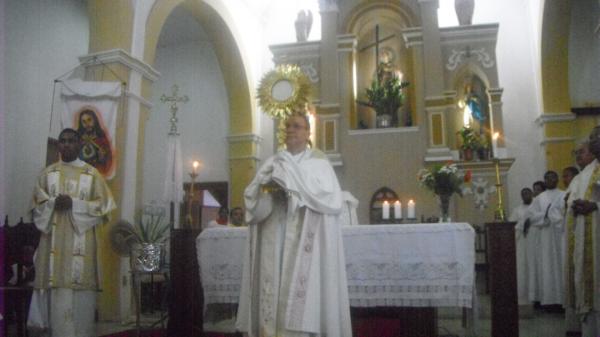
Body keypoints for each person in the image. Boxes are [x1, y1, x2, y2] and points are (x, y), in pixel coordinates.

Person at [236, 112, 352, 337]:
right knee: (273, 281)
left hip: (302, 234)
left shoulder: (318, 163)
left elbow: (328, 198)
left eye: (297, 126)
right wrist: (267, 188)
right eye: (288, 126)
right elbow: (252, 199)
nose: (290, 130)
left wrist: (293, 188)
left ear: (308, 132)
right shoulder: (273, 161)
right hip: (275, 229)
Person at [27, 128, 115, 337]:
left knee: (80, 310)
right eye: (62, 141)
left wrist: (75, 204)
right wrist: (51, 204)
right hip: (54, 251)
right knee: (58, 304)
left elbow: (105, 207)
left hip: (81, 251)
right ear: (58, 145)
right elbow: (35, 206)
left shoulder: (92, 175)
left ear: (79, 145)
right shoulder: (48, 174)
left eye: (71, 141)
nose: (66, 144)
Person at [565, 127, 600, 337]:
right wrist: (573, 205)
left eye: (598, 138)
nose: (595, 142)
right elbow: (572, 197)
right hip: (587, 236)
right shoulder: (584, 174)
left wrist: (595, 206)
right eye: (593, 139)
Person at [526, 171, 565, 307]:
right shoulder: (539, 198)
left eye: (553, 178)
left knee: (561, 266)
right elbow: (531, 216)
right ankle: (548, 300)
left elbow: (566, 214)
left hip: (560, 236)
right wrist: (546, 216)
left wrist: (553, 216)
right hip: (544, 236)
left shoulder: (564, 194)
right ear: (545, 180)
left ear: (557, 179)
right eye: (547, 178)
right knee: (546, 266)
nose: (550, 180)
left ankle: (562, 300)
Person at [510, 187, 534, 305]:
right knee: (523, 266)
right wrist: (521, 225)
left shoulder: (536, 206)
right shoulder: (517, 209)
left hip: (534, 240)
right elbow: (512, 225)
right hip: (522, 241)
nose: (525, 196)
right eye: (523, 194)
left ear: (532, 194)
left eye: (527, 193)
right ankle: (523, 295)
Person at [76, 109, 113, 176]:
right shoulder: (78, 138)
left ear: (95, 120)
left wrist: (102, 158)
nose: (87, 124)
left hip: (96, 173)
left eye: (89, 120)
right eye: (84, 122)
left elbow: (108, 157)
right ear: (81, 124)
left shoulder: (101, 137)